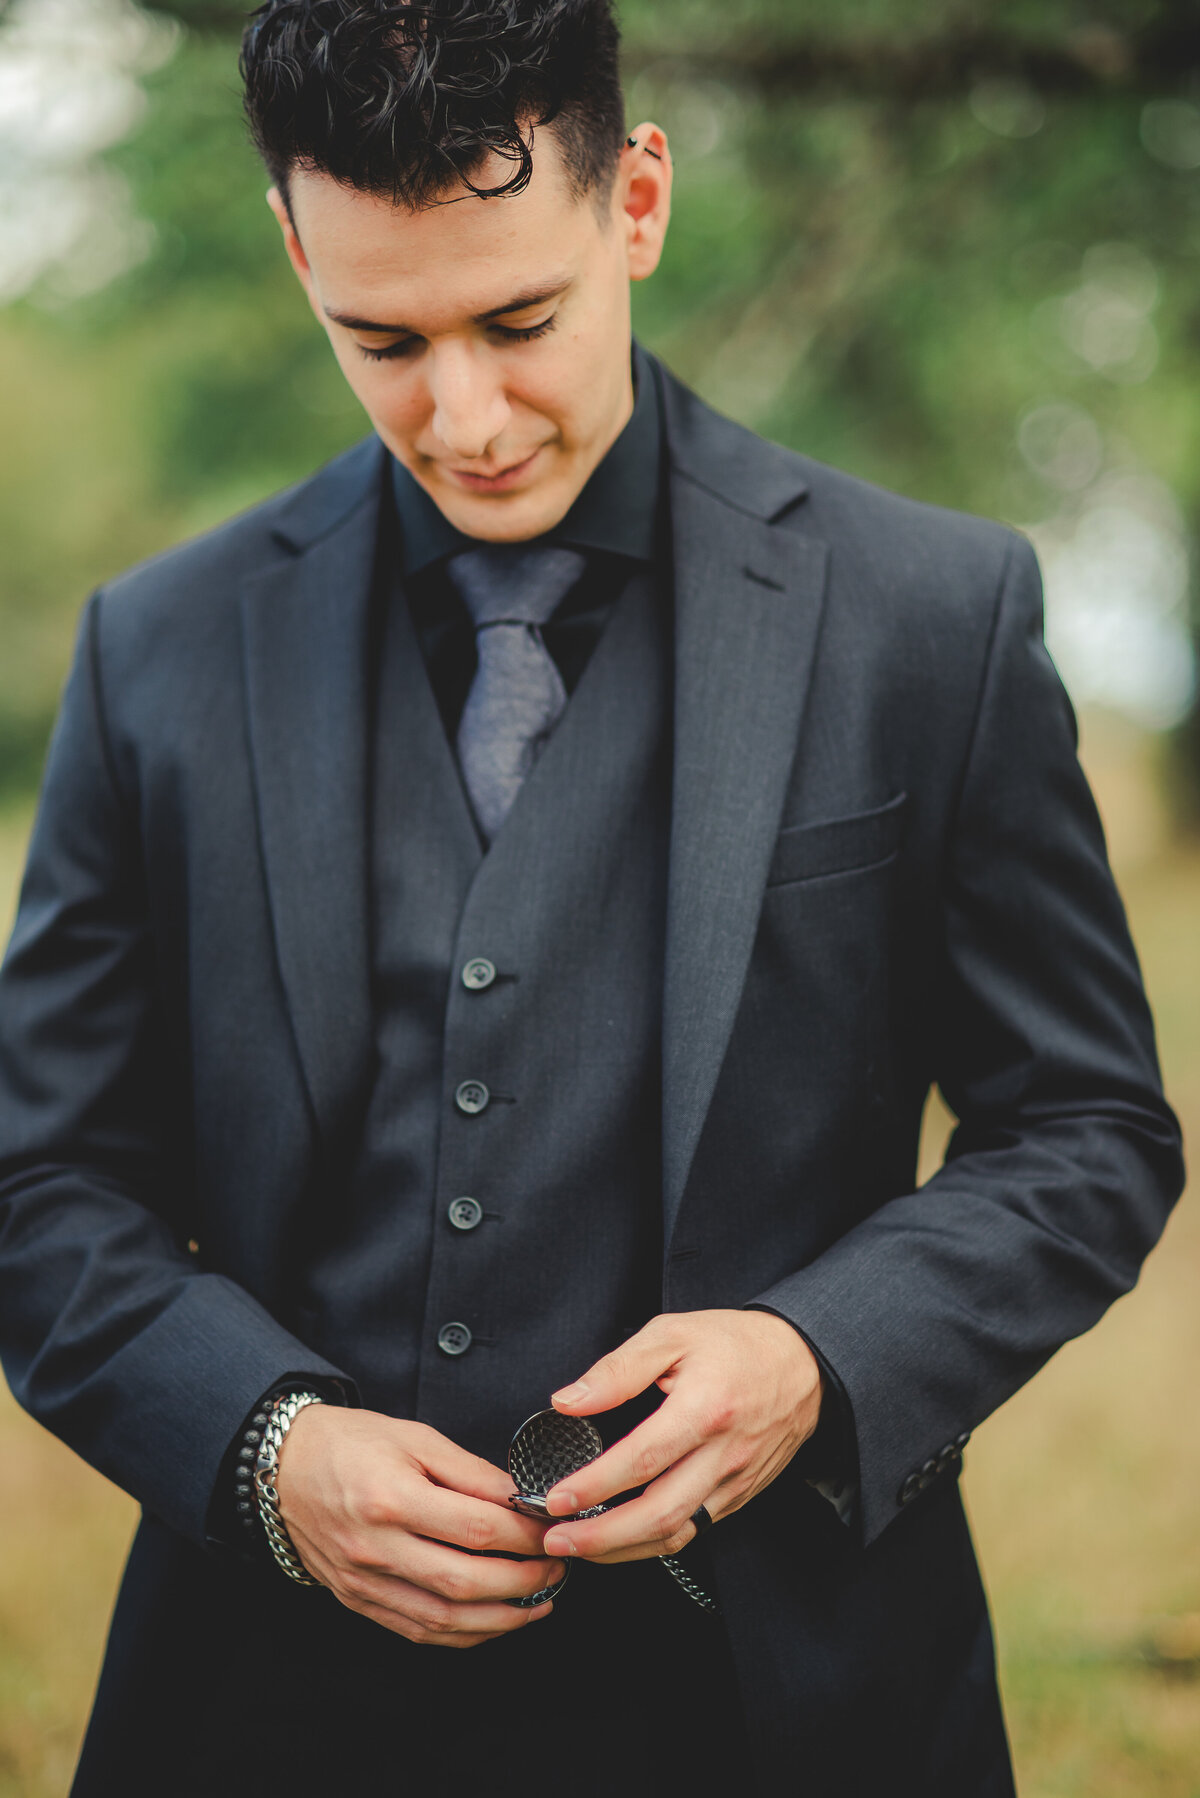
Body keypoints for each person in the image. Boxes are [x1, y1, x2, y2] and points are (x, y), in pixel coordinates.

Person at [0, 2, 1183, 1792]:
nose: (462, 416)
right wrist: (263, 1446)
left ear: (635, 201)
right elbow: (41, 1177)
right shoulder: (158, 653)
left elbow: (1088, 1126)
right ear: (293, 248)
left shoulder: (932, 615)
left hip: (794, 1711)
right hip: (261, 1719)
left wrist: (816, 1352)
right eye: (379, 338)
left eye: (519, 320)